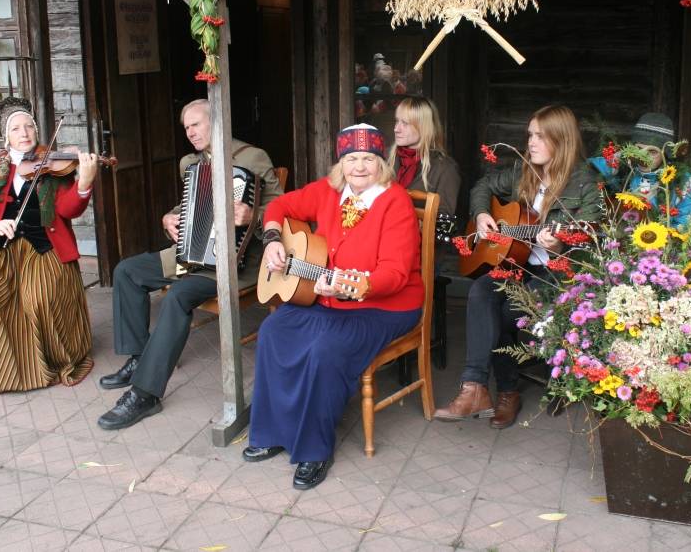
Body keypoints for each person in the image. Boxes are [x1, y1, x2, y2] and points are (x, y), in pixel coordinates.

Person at [243, 123, 423, 490]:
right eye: (352, 158)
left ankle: (314, 449)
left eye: (368, 159)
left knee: (326, 349)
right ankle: (276, 430)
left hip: (383, 306)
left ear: (381, 163)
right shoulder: (328, 191)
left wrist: (354, 288)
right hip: (326, 296)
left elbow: (394, 274)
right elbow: (278, 205)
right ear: (340, 163)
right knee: (274, 331)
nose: (359, 166)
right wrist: (274, 239)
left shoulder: (395, 201)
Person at [97, 98, 281, 430]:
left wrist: (253, 214)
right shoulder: (190, 163)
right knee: (127, 271)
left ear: (217, 123)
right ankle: (140, 359)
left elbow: (283, 208)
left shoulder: (253, 157)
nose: (190, 133)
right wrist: (170, 216)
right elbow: (190, 204)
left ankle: (145, 394)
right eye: (186, 128)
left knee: (179, 295)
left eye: (196, 125)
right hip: (192, 255)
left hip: (235, 261)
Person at [434, 104, 600, 429]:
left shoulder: (584, 183)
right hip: (516, 265)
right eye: (530, 135)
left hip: (556, 277)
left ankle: (506, 391)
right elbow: (481, 187)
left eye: (540, 136)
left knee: (502, 310)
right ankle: (475, 387)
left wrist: (561, 244)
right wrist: (482, 214)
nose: (531, 142)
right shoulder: (523, 171)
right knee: (481, 291)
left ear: (561, 140)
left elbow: (592, 239)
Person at [0, 97, 100, 405]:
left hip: (45, 247)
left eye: (29, 125)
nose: (25, 132)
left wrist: (84, 181)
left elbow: (69, 209)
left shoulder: (54, 166)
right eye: (16, 128)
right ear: (7, 137)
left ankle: (48, 360)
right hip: (2, 248)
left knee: (38, 296)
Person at [588, 112, 691, 229]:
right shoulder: (624, 165)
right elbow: (586, 169)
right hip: (617, 238)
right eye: (639, 149)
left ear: (665, 152)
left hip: (659, 242)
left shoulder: (681, 182)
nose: (643, 157)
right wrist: (614, 162)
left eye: (652, 152)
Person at [388, 96, 461, 226]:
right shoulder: (388, 159)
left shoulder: (445, 169)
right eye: (397, 121)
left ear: (423, 127)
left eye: (405, 123)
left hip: (421, 244)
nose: (396, 129)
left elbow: (443, 224)